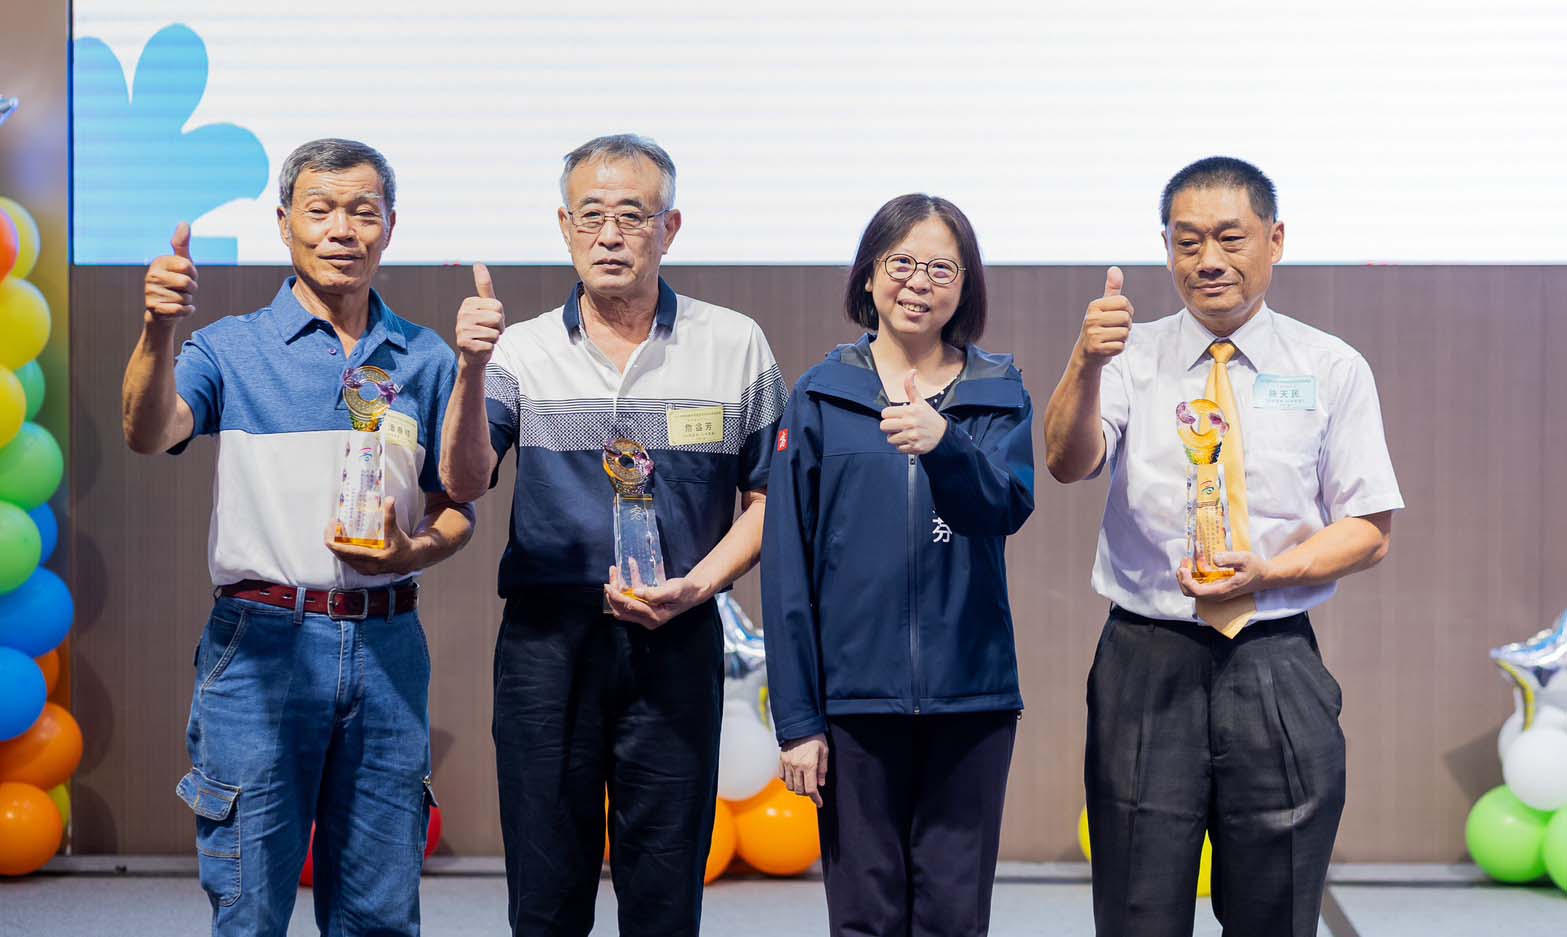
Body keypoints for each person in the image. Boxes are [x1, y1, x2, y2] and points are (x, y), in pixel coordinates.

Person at [1043, 156, 1404, 937]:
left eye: (1230, 237)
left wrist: (1267, 571)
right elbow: (1068, 462)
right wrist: (1084, 362)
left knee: (1276, 906)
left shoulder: (1329, 365)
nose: (1207, 259)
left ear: (1274, 239)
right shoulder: (1125, 355)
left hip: (1274, 657)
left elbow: (1368, 530)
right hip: (1144, 658)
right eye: (1187, 241)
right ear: (1166, 249)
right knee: (1137, 908)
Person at [438, 133, 788, 937]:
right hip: (547, 645)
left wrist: (698, 587)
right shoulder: (519, 349)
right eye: (590, 215)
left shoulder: (733, 342)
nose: (609, 234)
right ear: (564, 227)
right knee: (545, 892)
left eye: (632, 215)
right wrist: (469, 368)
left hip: (679, 633)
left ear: (670, 229)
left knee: (665, 894)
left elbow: (771, 498)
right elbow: (462, 481)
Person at [121, 138, 472, 935]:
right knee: (249, 906)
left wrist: (415, 551)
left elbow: (456, 507)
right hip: (261, 643)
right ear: (285, 224)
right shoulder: (229, 347)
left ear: (389, 227)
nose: (341, 229)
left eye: (363, 211)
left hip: (388, 646)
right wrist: (157, 329)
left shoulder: (425, 358)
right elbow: (149, 430)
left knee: (381, 913)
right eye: (320, 210)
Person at [762, 194, 1035, 937]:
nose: (919, 282)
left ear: (965, 285)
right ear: (868, 274)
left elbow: (1004, 507)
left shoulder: (996, 390)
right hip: (853, 706)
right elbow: (787, 568)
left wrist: (944, 442)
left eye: (941, 268)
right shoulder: (820, 395)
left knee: (955, 917)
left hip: (971, 702)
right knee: (864, 918)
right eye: (901, 263)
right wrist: (797, 719)